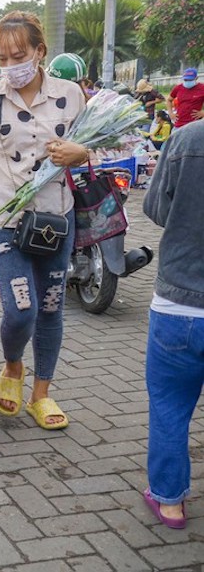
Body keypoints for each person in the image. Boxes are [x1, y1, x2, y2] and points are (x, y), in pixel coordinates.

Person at [0, 10, 90, 430]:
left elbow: (98, 146)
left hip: (55, 218)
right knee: (20, 309)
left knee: (50, 307)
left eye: (18, 56)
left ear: (40, 51)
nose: (11, 65)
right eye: (2, 57)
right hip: (2, 217)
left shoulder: (70, 94)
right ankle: (13, 365)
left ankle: (41, 394)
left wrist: (81, 153)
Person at [141, 118, 204, 531]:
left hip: (179, 303)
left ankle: (170, 503)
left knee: (170, 408)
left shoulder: (186, 138)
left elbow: (156, 208)